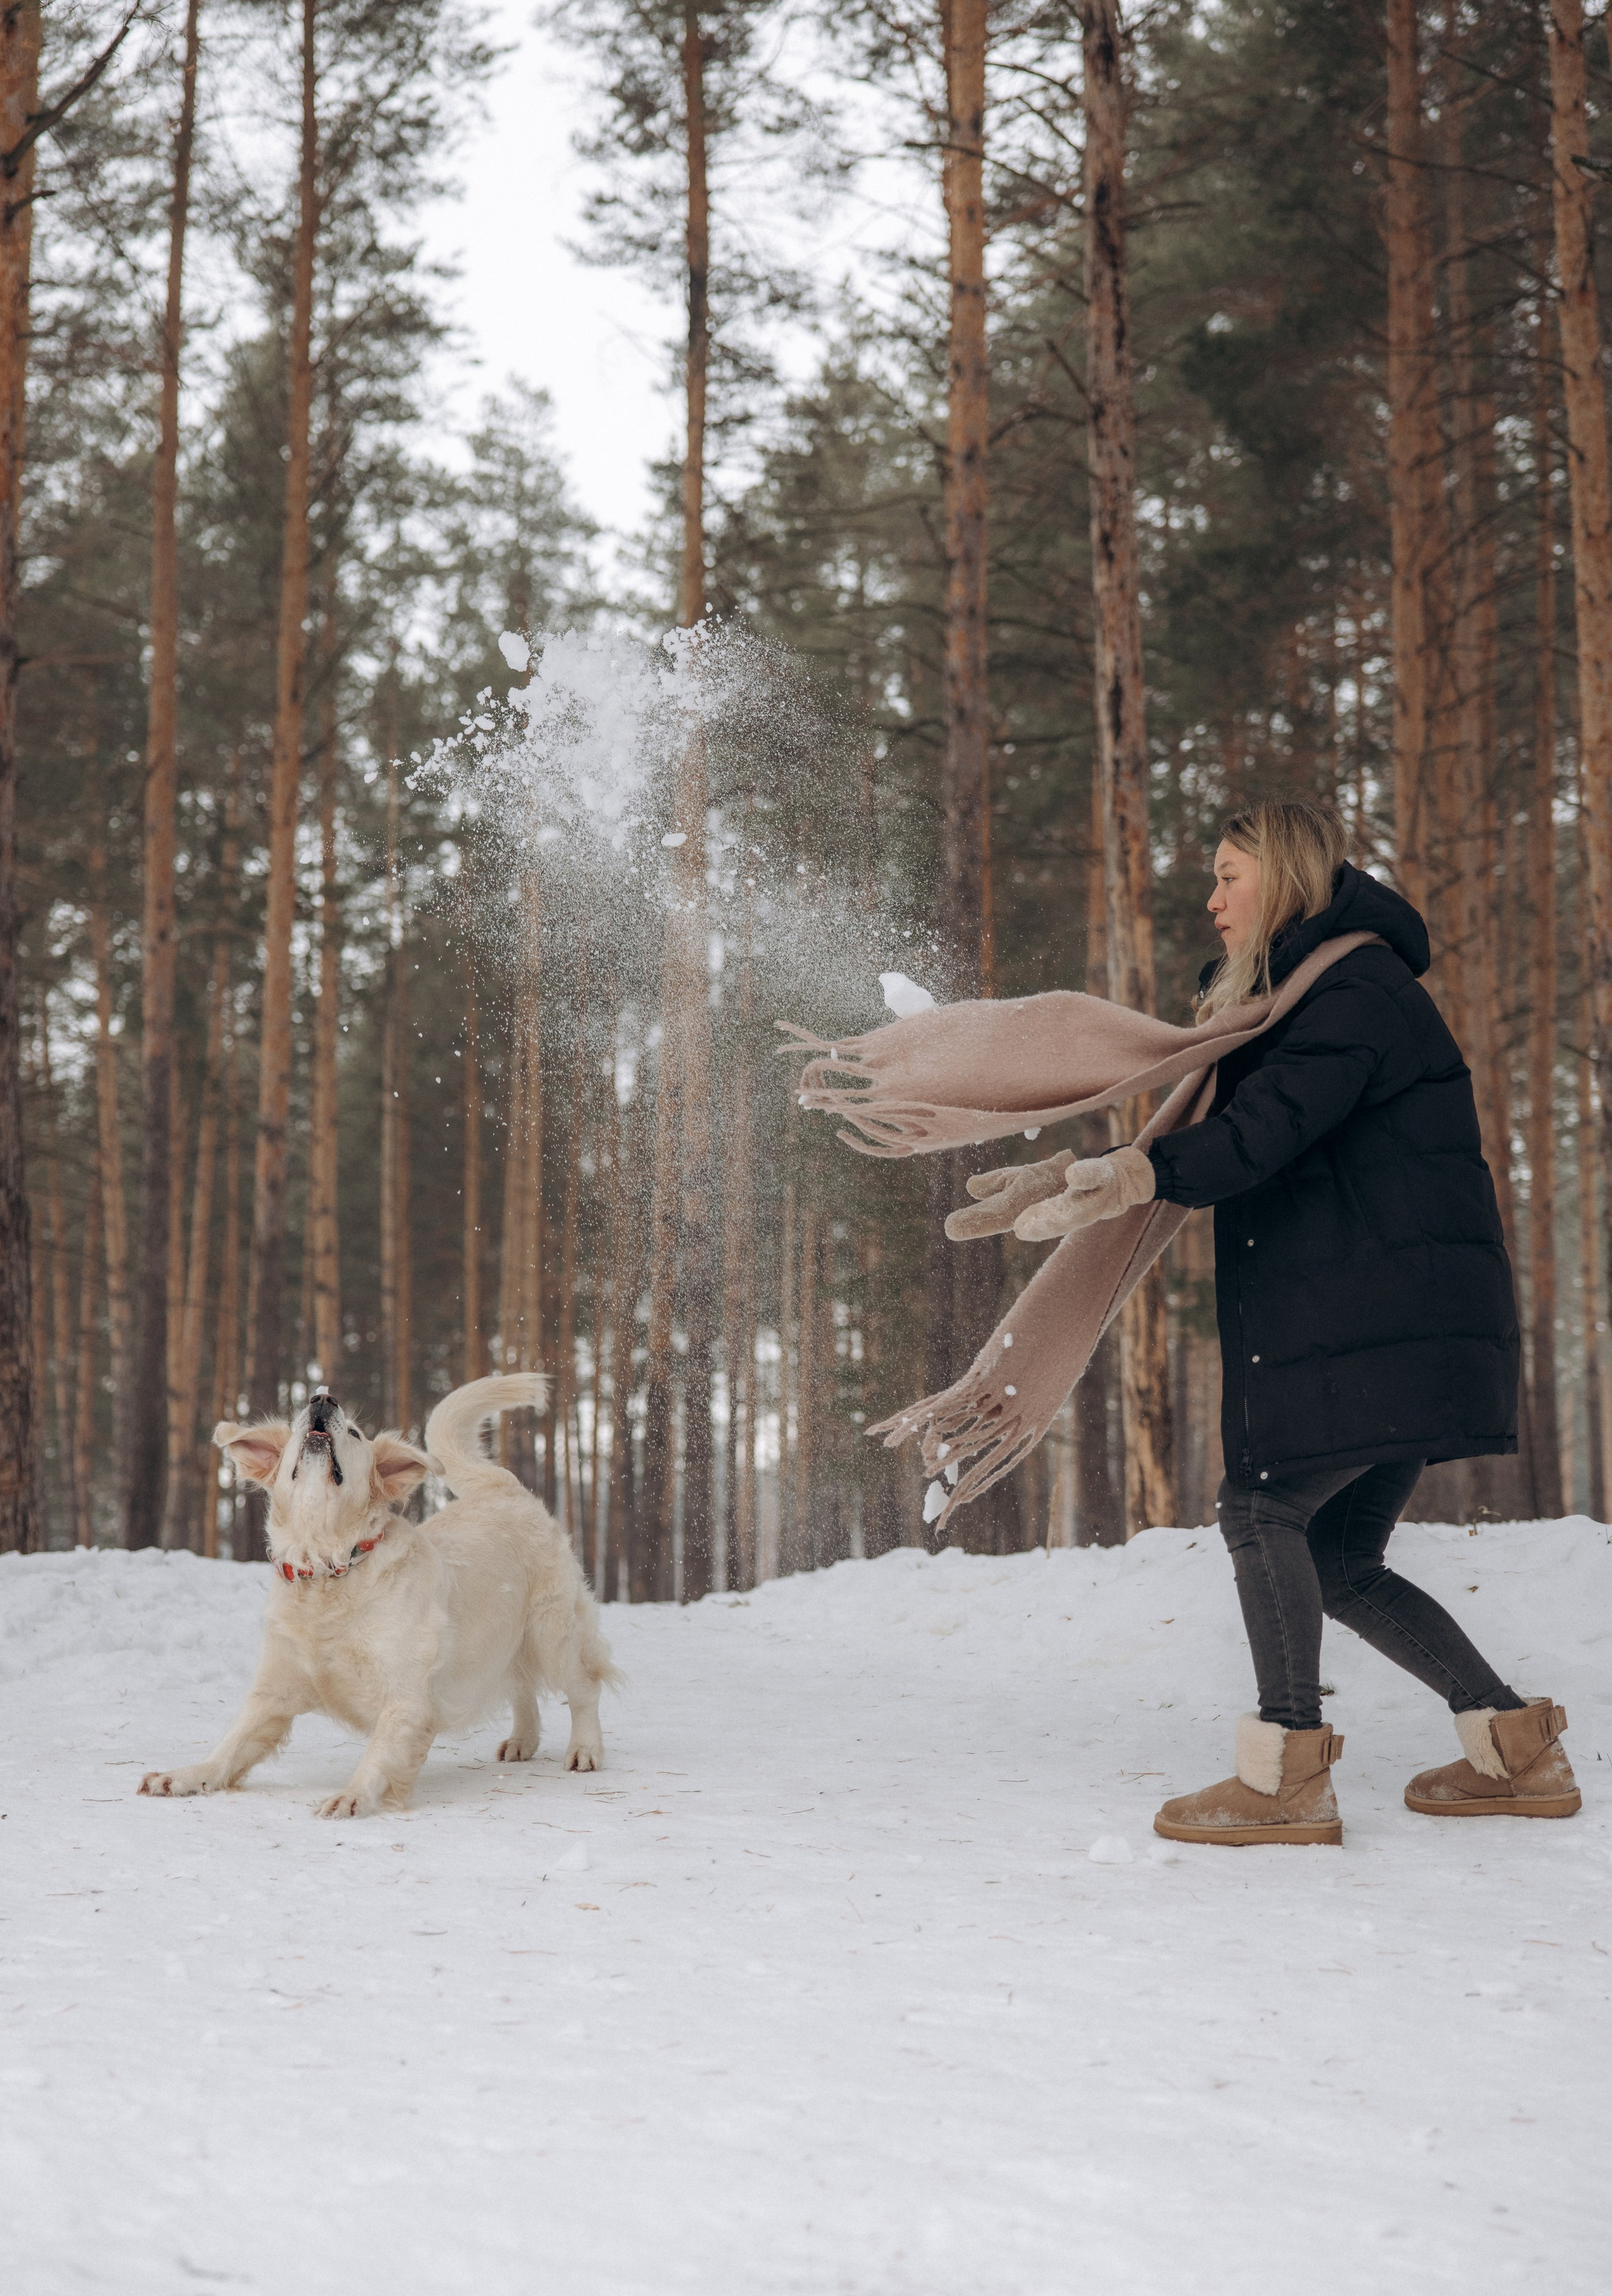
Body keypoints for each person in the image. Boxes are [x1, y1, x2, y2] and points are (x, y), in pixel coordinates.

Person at [1006, 801, 1579, 1846]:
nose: (1213, 899)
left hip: (1382, 1322)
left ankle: (1286, 1776)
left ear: (1288, 876)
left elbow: (1266, 1129)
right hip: (1395, 1325)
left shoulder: (1353, 990)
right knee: (1340, 1557)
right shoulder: (1320, 992)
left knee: (1263, 1507)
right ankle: (1517, 1749)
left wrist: (1138, 1171)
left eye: (1230, 875)